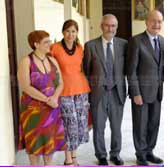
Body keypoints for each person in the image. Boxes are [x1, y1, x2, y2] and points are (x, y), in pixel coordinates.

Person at [83, 14, 128, 166]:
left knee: (116, 127)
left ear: (116, 27)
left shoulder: (124, 45)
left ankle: (115, 154)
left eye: (113, 26)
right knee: (99, 127)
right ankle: (101, 155)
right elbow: (87, 70)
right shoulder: (90, 45)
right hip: (98, 93)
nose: (110, 28)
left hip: (117, 91)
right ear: (101, 26)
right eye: (107, 25)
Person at [17, 30, 66, 165]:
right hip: (33, 111)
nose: (50, 44)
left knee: (49, 141)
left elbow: (61, 82)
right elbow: (26, 87)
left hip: (53, 108)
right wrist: (47, 100)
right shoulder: (26, 61)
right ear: (36, 44)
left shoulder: (52, 60)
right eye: (46, 42)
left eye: (49, 41)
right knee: (35, 143)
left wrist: (54, 98)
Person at [127, 10, 164, 166]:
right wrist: (135, 92)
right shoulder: (136, 41)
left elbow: (160, 67)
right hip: (141, 93)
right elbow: (131, 70)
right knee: (140, 125)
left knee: (153, 124)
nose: (156, 24)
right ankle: (141, 154)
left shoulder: (162, 41)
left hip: (156, 92)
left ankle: (149, 151)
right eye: (153, 21)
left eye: (159, 21)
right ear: (146, 22)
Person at [50, 19, 91, 166]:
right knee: (69, 124)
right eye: (68, 31)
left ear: (77, 33)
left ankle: (74, 157)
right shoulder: (54, 48)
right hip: (63, 90)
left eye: (73, 31)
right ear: (63, 32)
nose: (70, 34)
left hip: (81, 89)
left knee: (79, 124)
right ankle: (67, 159)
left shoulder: (80, 48)